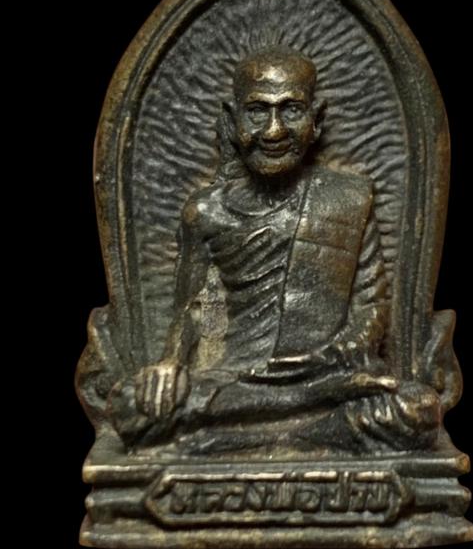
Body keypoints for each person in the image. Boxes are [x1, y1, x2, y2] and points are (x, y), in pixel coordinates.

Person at [108, 46, 440, 454]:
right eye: (257, 111)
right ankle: (303, 431)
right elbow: (195, 308)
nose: (274, 131)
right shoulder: (207, 212)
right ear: (232, 120)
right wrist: (171, 362)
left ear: (317, 120)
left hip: (326, 376)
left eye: (291, 110)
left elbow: (372, 304)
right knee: (130, 406)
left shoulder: (350, 199)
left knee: (417, 409)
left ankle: (232, 439)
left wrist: (343, 355)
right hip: (237, 379)